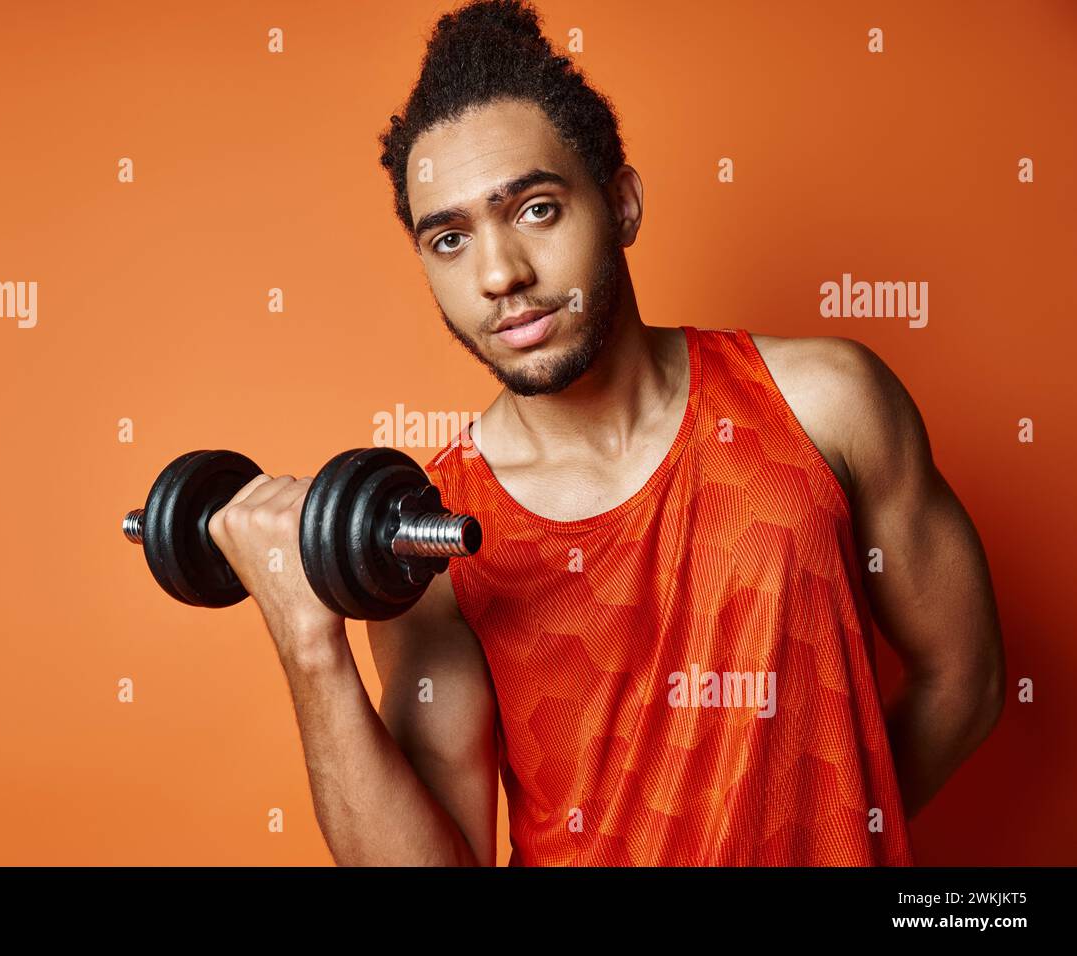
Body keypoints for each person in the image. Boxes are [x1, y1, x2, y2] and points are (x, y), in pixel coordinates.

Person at [207, 0, 1005, 865]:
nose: (500, 274)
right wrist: (309, 645)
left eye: (536, 209)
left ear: (621, 203)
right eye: (449, 238)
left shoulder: (826, 401)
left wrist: (838, 835)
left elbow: (966, 679)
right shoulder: (425, 533)